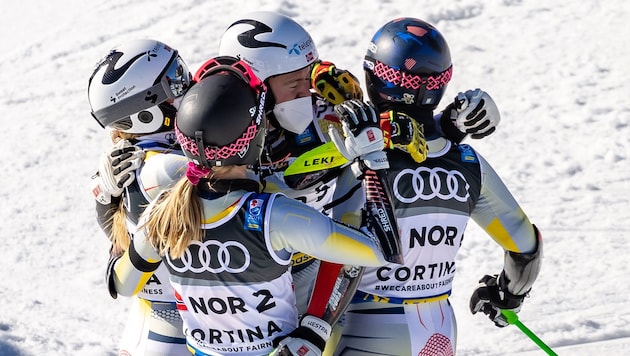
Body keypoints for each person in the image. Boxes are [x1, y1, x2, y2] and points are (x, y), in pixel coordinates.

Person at [217, 9, 502, 318]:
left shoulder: (318, 109)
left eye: (307, 77)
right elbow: (274, 185)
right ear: (255, 85)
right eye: (293, 84)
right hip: (235, 283)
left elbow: (377, 144)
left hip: (307, 269)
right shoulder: (218, 124)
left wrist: (447, 125)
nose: (306, 93)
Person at [111, 58, 397, 356]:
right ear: (255, 139)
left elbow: (123, 285)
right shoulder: (276, 216)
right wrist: (371, 162)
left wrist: (107, 201)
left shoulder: (163, 213)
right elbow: (380, 250)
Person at [328, 18, 543, 355]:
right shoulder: (468, 163)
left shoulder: (353, 152)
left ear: (373, 78)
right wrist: (508, 295)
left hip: (365, 322)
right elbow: (525, 245)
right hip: (438, 324)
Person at [87, 38, 194, 356]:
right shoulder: (149, 167)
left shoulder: (166, 148)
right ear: (145, 112)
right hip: (169, 326)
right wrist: (105, 195)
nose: (187, 86)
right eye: (175, 80)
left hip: (209, 318)